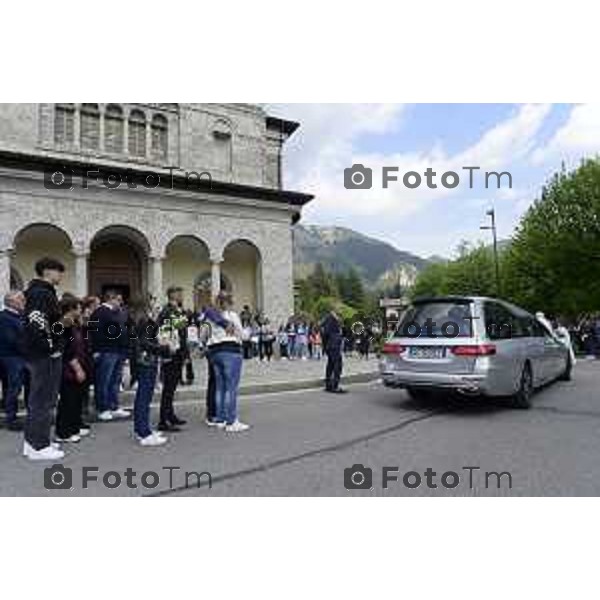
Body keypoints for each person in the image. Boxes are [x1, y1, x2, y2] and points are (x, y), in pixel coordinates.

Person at [22, 257, 66, 461]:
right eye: (59, 271)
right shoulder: (41, 293)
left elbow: (51, 325)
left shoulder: (41, 292)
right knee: (43, 400)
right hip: (44, 355)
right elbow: (38, 324)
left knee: (41, 399)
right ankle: (38, 445)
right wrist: (51, 349)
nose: (60, 276)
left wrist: (61, 325)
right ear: (48, 271)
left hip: (42, 353)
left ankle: (33, 442)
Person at [129, 298, 171, 446]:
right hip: (146, 361)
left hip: (143, 360)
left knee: (143, 396)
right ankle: (144, 432)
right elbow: (145, 343)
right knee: (144, 397)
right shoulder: (144, 321)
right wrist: (162, 348)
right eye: (152, 301)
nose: (154, 304)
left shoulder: (140, 320)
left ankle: (143, 428)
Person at [206, 292, 249, 432]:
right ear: (229, 302)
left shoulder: (211, 317)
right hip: (231, 351)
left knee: (220, 387)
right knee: (231, 388)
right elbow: (242, 335)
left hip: (214, 352)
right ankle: (231, 421)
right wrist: (247, 333)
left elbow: (204, 335)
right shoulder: (232, 315)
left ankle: (220, 419)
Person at [55, 296, 93, 443]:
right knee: (68, 400)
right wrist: (77, 369)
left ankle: (73, 427)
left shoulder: (73, 323)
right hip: (68, 369)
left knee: (75, 399)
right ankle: (63, 432)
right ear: (71, 309)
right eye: (78, 308)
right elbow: (67, 349)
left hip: (77, 364)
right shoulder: (64, 325)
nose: (80, 310)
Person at [89, 290, 131, 421]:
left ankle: (114, 406)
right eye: (118, 300)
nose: (120, 302)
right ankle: (102, 408)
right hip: (106, 350)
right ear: (110, 299)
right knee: (103, 381)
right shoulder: (100, 312)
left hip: (118, 350)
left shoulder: (117, 312)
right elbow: (93, 331)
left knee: (115, 381)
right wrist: (95, 349)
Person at [157, 286, 189, 432]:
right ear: (173, 295)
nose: (182, 296)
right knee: (168, 388)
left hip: (178, 352)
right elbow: (166, 331)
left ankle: (170, 415)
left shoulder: (177, 310)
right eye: (180, 294)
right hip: (171, 353)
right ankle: (163, 421)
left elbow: (183, 331)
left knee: (172, 387)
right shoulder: (167, 311)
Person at [0, 290, 26, 431]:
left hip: (15, 357)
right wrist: (27, 349)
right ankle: (11, 419)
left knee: (12, 388)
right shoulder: (4, 317)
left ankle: (11, 416)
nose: (24, 301)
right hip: (11, 358)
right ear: (11, 302)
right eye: (20, 299)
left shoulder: (19, 316)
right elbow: (12, 340)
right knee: (13, 389)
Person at [321, 309, 346, 394]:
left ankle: (329, 385)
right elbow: (326, 333)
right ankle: (335, 386)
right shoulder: (331, 320)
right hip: (333, 345)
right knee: (337, 365)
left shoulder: (330, 320)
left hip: (331, 345)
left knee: (331, 365)